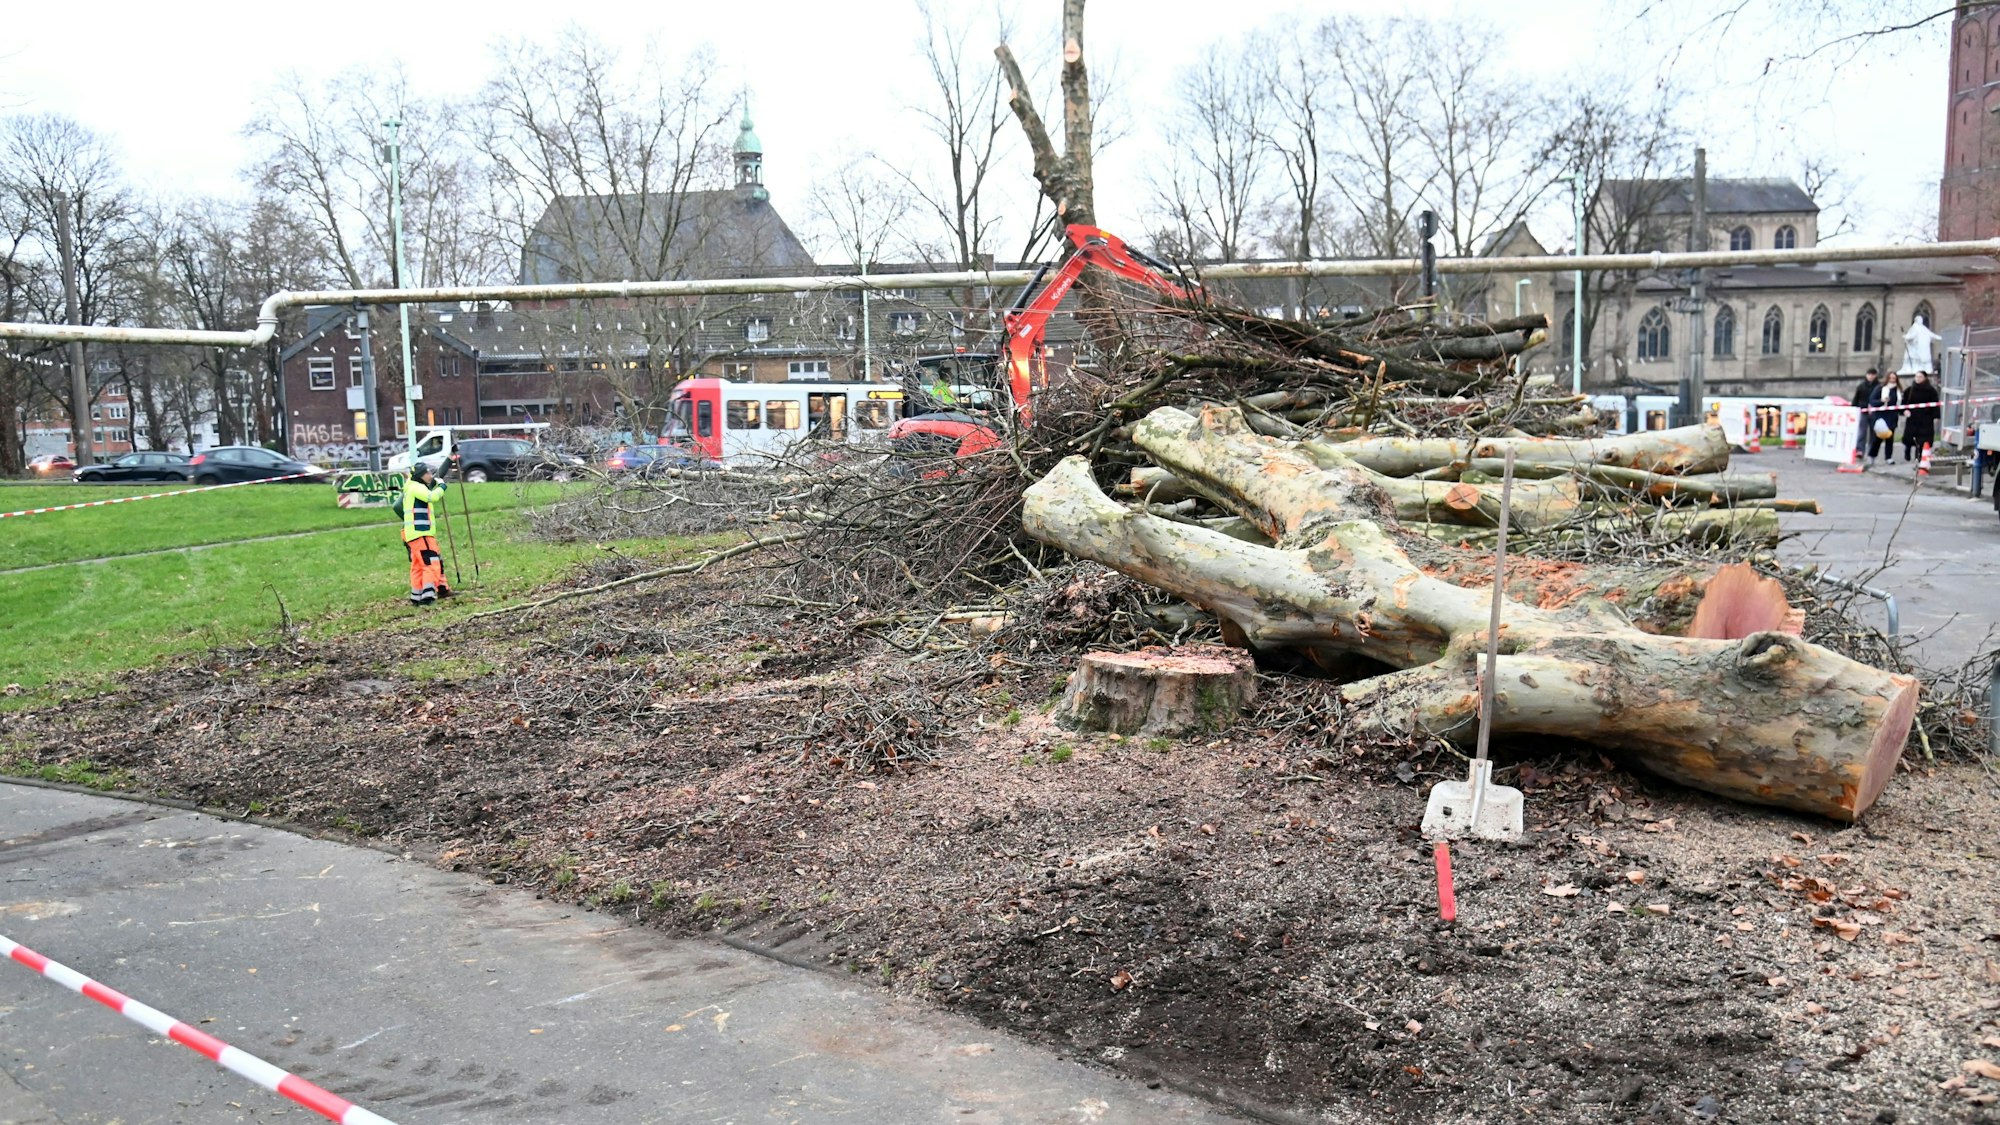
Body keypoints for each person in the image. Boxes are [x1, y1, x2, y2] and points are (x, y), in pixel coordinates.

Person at [400, 463, 453, 605]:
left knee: (418, 566)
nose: (430, 476)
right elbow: (433, 497)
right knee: (431, 563)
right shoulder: (417, 488)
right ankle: (428, 596)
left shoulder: (410, 487)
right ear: (420, 476)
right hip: (421, 533)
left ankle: (416, 597)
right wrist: (442, 487)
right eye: (427, 473)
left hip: (412, 535)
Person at [1901, 370, 1940, 461]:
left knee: (1923, 439)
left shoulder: (1931, 390)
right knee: (1910, 437)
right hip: (1912, 417)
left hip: (1926, 418)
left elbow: (1935, 404)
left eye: (1920, 377)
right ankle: (1907, 451)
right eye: (1916, 377)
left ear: (1925, 378)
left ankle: (1918, 456)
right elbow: (1903, 403)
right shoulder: (1909, 390)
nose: (1918, 379)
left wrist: (1936, 416)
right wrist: (1904, 411)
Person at [1867, 373, 1904, 464]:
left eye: (1894, 378)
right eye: (1890, 378)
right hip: (1881, 416)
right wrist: (1881, 401)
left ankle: (1888, 457)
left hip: (1892, 416)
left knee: (1890, 437)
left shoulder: (1898, 390)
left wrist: (1903, 412)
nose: (1892, 380)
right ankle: (1872, 455)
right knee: (1878, 437)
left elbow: (1900, 404)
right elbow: (1872, 401)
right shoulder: (1880, 388)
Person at [1850, 368, 1881, 460]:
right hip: (1863, 411)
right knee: (1861, 432)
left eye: (1872, 374)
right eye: (1869, 374)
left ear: (1875, 375)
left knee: (1873, 433)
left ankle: (1871, 451)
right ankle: (1860, 450)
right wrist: (1854, 408)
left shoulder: (1879, 386)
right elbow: (1856, 399)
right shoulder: (1861, 386)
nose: (1870, 376)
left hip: (1875, 412)